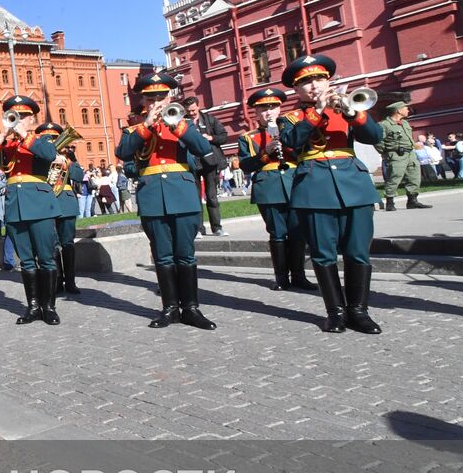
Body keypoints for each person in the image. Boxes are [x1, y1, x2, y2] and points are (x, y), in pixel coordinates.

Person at [281, 54, 385, 334]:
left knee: (358, 252)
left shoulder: (346, 108)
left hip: (354, 186)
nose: (314, 86)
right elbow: (291, 143)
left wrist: (352, 113)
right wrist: (317, 110)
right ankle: (335, 312)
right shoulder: (290, 118)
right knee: (323, 254)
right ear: (296, 89)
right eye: (306, 83)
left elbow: (375, 136)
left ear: (329, 81)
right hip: (314, 189)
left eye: (319, 79)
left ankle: (359, 311)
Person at [116, 72, 217, 329]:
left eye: (162, 97)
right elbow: (123, 152)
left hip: (183, 196)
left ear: (171, 97)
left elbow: (205, 152)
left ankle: (191, 308)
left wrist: (179, 126)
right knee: (162, 256)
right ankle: (170, 308)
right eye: (152, 99)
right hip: (152, 197)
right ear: (144, 102)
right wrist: (147, 125)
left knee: (185, 255)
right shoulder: (135, 131)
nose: (157, 103)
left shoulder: (186, 125)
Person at [0, 95, 60, 326]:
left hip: (40, 204)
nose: (18, 120)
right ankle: (33, 306)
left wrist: (25, 136)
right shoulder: (7, 145)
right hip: (15, 206)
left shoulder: (41, 140)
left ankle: (49, 307)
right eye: (15, 116)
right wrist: (2, 136)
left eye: (23, 116)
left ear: (31, 119)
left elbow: (50, 156)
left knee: (46, 258)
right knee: (26, 261)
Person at [237, 88, 316, 292]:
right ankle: (281, 277)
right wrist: (266, 153)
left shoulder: (292, 129)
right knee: (277, 233)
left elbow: (305, 150)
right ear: (256, 112)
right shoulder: (248, 137)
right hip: (268, 186)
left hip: (294, 182)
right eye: (263, 109)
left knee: (298, 232)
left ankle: (299, 275)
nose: (268, 112)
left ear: (280, 109)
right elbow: (245, 165)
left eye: (273, 107)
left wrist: (287, 145)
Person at [35, 124, 85, 297]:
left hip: (66, 203)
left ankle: (70, 281)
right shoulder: (40, 156)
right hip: (47, 204)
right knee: (52, 245)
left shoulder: (68, 157)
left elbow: (78, 177)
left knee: (68, 244)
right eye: (47, 138)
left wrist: (69, 160)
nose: (51, 141)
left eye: (54, 138)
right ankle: (56, 281)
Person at [182, 94, 230, 236]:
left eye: (193, 110)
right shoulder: (182, 122)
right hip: (192, 163)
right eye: (188, 111)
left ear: (198, 106)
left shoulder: (210, 119)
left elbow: (223, 136)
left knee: (212, 196)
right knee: (195, 198)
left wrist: (210, 138)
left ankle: (217, 227)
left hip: (210, 162)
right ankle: (198, 229)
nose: (191, 113)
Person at [377, 101, 430, 210]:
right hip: (396, 154)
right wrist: (385, 151)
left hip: (410, 154)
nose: (407, 110)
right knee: (395, 177)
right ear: (398, 110)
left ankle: (412, 201)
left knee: (414, 176)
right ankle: (390, 202)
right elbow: (377, 140)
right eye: (405, 108)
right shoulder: (384, 124)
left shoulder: (405, 123)